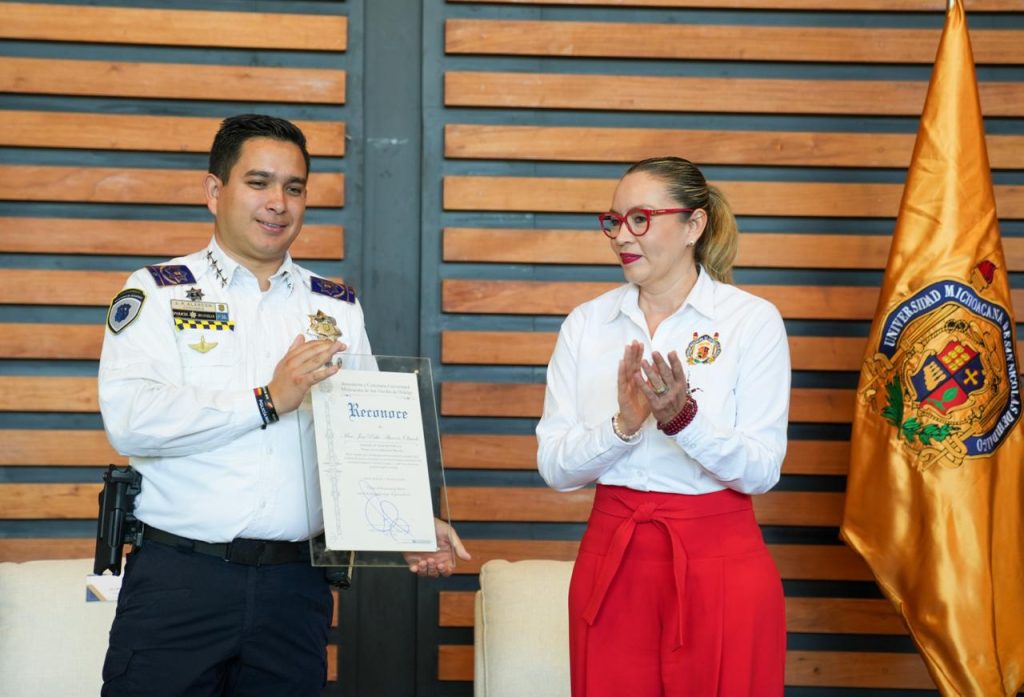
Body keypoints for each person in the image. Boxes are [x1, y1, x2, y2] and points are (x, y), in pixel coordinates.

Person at [97, 114, 469, 697]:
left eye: (294, 188)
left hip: (294, 587)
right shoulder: (158, 291)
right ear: (215, 191)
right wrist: (269, 399)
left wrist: (408, 521)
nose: (278, 202)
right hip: (180, 581)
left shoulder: (335, 306)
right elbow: (131, 422)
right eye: (259, 183)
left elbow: (365, 434)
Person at [536, 156, 789, 696]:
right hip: (612, 562)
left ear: (694, 225)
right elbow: (555, 468)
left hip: (720, 566)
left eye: (641, 219)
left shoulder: (751, 321)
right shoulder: (586, 324)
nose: (621, 236)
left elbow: (762, 470)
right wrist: (624, 425)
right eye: (614, 221)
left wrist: (683, 420)